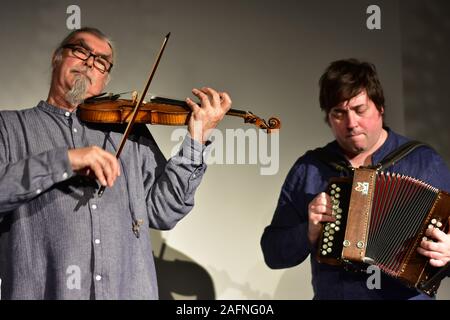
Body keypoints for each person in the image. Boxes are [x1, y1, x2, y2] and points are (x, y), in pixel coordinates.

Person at [0, 27, 232, 299]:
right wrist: (66, 160)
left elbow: (164, 211)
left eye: (101, 61)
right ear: (56, 57)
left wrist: (197, 139)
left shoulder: (129, 134)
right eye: (80, 50)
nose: (89, 62)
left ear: (105, 81)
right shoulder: (9, 127)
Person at [261, 58, 450, 299]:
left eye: (360, 110)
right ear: (328, 118)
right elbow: (272, 254)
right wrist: (308, 232)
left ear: (380, 107)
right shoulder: (310, 168)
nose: (351, 123)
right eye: (339, 113)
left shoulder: (424, 162)